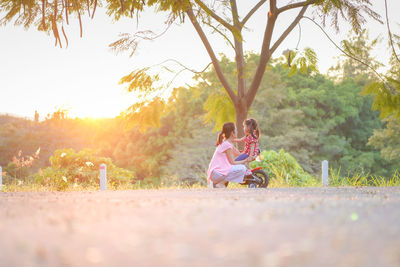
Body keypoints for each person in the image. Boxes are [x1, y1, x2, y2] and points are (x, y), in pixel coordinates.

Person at [207, 122, 252, 188]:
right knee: (242, 168)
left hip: (216, 173)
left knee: (240, 167)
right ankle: (220, 183)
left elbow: (238, 153)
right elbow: (233, 162)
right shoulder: (227, 145)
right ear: (232, 133)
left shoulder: (227, 142)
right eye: (236, 130)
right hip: (216, 174)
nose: (237, 131)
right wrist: (246, 160)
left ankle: (219, 183)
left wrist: (250, 150)